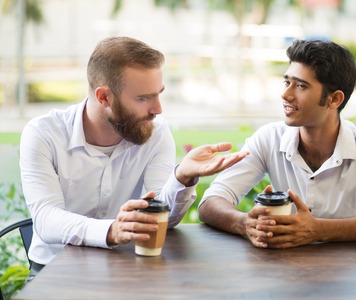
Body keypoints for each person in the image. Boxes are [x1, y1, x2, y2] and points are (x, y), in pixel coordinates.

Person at [19, 36, 248, 279]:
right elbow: (46, 219)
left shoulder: (156, 132)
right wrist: (111, 231)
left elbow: (163, 221)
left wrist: (182, 177)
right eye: (143, 98)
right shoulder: (43, 134)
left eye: (158, 94)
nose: (158, 109)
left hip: (127, 270)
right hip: (54, 273)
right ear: (104, 97)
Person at [198, 39, 356, 249]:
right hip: (286, 273)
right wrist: (244, 223)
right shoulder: (268, 138)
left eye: (301, 86)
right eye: (287, 82)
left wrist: (317, 230)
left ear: (334, 99)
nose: (286, 94)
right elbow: (211, 202)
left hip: (355, 276)